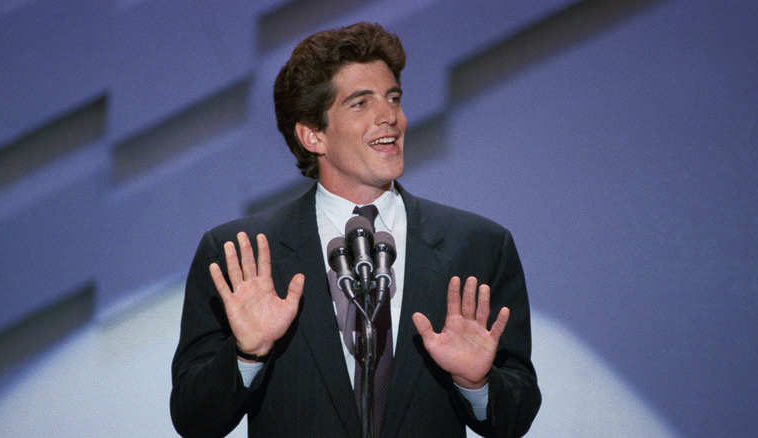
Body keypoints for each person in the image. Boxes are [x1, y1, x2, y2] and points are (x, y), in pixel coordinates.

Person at [170, 22, 541, 438]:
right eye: (361, 104)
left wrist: (476, 384)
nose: (391, 117)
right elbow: (194, 420)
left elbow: (516, 416)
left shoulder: (478, 246)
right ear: (313, 135)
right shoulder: (240, 254)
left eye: (393, 98)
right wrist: (247, 354)